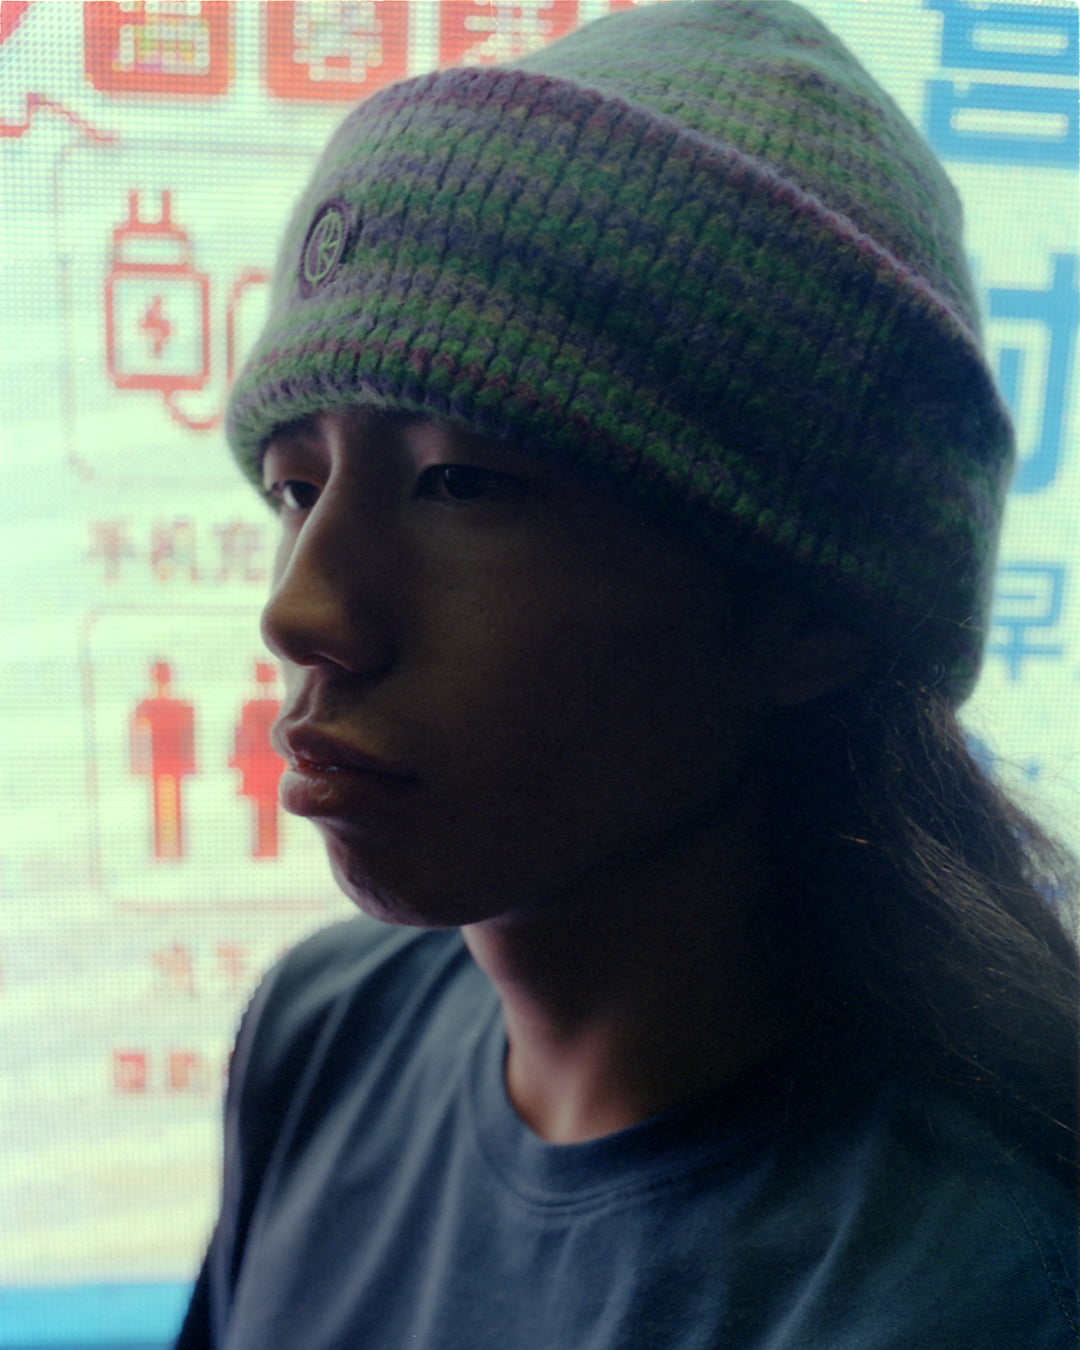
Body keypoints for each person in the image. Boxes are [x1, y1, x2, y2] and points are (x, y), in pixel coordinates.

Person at [175, 4, 1078, 1346]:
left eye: (459, 483)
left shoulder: (971, 1287)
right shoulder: (327, 1035)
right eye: (298, 487)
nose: (303, 610)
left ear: (808, 618)